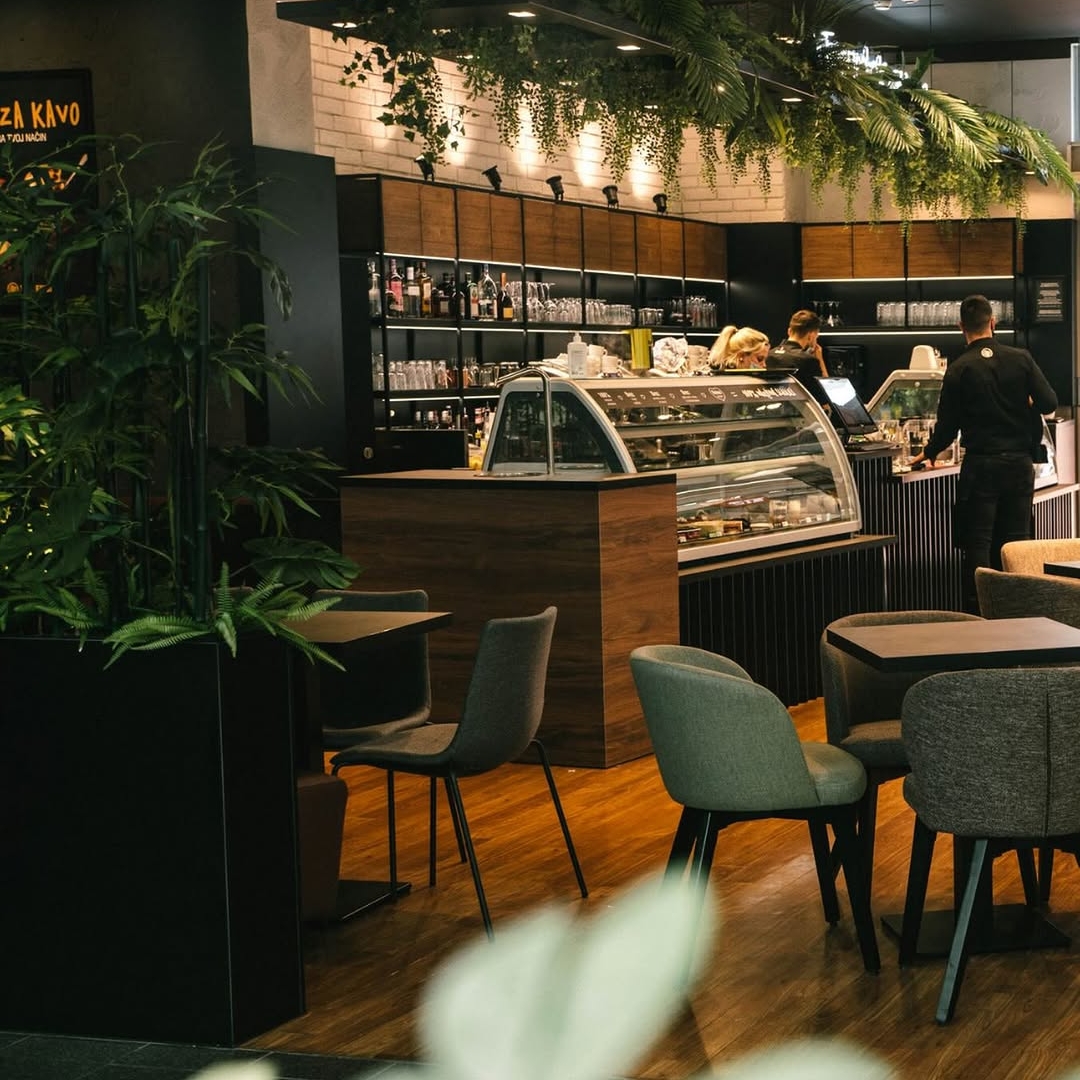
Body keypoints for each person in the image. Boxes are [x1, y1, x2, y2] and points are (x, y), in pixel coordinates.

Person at [909, 293, 1058, 613]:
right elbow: (1049, 403)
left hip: (980, 466)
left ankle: (980, 613)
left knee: (978, 542)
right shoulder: (1021, 358)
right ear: (993, 323)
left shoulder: (960, 368)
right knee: (1016, 541)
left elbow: (947, 425)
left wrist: (928, 452)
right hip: (1019, 464)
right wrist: (1026, 401)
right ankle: (1021, 611)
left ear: (960, 326)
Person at [766, 309, 829, 394]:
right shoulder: (808, 360)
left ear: (789, 331)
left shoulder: (768, 354)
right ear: (812, 335)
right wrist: (819, 358)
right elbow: (825, 393)